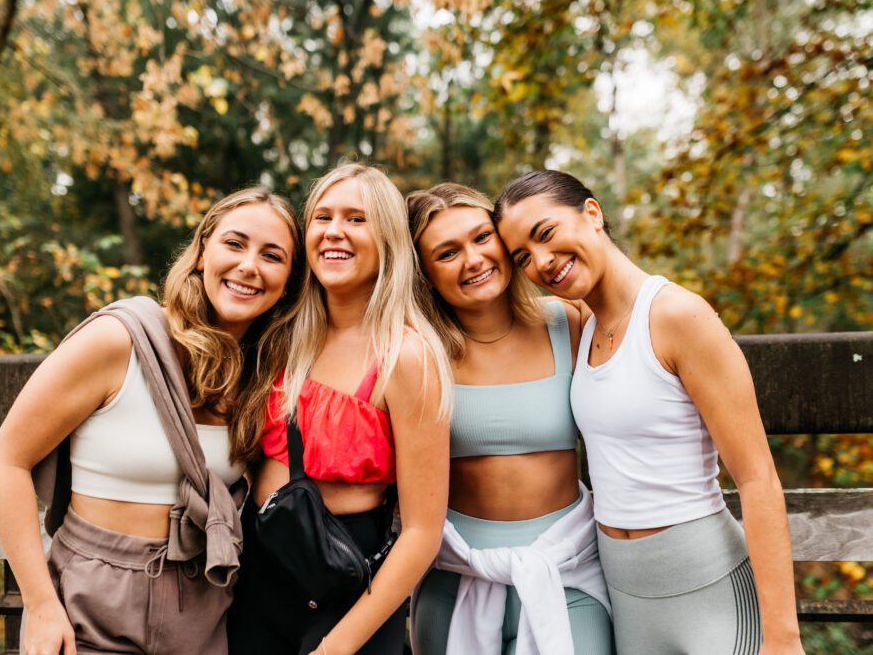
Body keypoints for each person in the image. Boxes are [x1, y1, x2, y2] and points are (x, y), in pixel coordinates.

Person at [493, 169, 804, 655]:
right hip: (627, 596)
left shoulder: (678, 316)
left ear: (591, 214)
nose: (542, 262)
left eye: (546, 234)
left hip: (709, 590)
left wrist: (783, 640)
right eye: (522, 257)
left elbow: (759, 479)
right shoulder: (581, 326)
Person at [0, 187, 300, 655]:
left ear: (289, 282)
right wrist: (42, 606)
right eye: (234, 244)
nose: (249, 265)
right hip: (90, 604)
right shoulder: (121, 340)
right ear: (200, 253)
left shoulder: (261, 380)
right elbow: (5, 461)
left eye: (272, 255)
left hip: (206, 606)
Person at [227, 163, 453, 655]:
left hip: (346, 593)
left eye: (356, 218)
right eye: (322, 217)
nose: (334, 232)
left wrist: (339, 645)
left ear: (387, 236)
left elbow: (421, 532)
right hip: (255, 583)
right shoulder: (280, 337)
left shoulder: (406, 357)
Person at [405, 183, 613, 655]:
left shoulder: (571, 322)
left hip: (568, 574)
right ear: (425, 274)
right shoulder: (419, 353)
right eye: (447, 253)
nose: (473, 260)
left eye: (482, 238)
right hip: (456, 576)